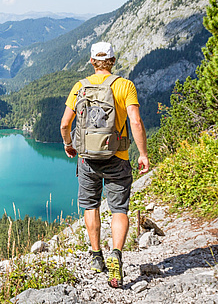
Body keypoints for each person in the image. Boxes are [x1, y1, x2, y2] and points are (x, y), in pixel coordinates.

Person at [60, 41, 150, 289]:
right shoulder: (124, 86)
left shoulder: (80, 87)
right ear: (112, 61)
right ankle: (116, 254)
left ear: (91, 61)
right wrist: (142, 153)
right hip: (117, 157)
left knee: (91, 205)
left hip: (87, 158)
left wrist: (69, 145)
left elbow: (64, 124)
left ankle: (96, 256)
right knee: (119, 209)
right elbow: (136, 121)